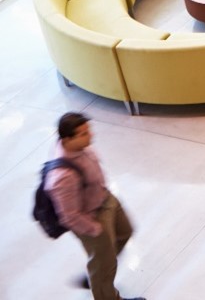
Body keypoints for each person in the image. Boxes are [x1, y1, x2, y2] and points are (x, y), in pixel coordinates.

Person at [45, 112, 144, 300]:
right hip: (92, 217)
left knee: (125, 232)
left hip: (106, 201)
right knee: (106, 264)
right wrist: (94, 229)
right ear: (67, 139)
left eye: (88, 131)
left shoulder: (81, 149)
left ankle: (96, 272)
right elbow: (69, 216)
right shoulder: (62, 177)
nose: (91, 136)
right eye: (83, 134)